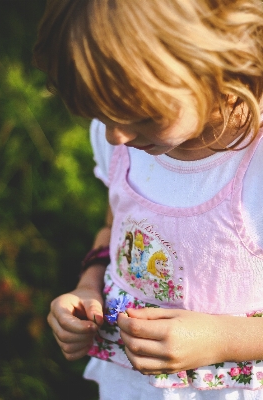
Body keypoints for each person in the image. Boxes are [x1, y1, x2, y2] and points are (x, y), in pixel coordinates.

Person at [33, 0, 263, 399]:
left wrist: (221, 339)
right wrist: (88, 288)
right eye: (102, 116)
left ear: (212, 67)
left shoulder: (254, 166)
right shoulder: (126, 144)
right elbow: (114, 229)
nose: (114, 137)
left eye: (138, 114)